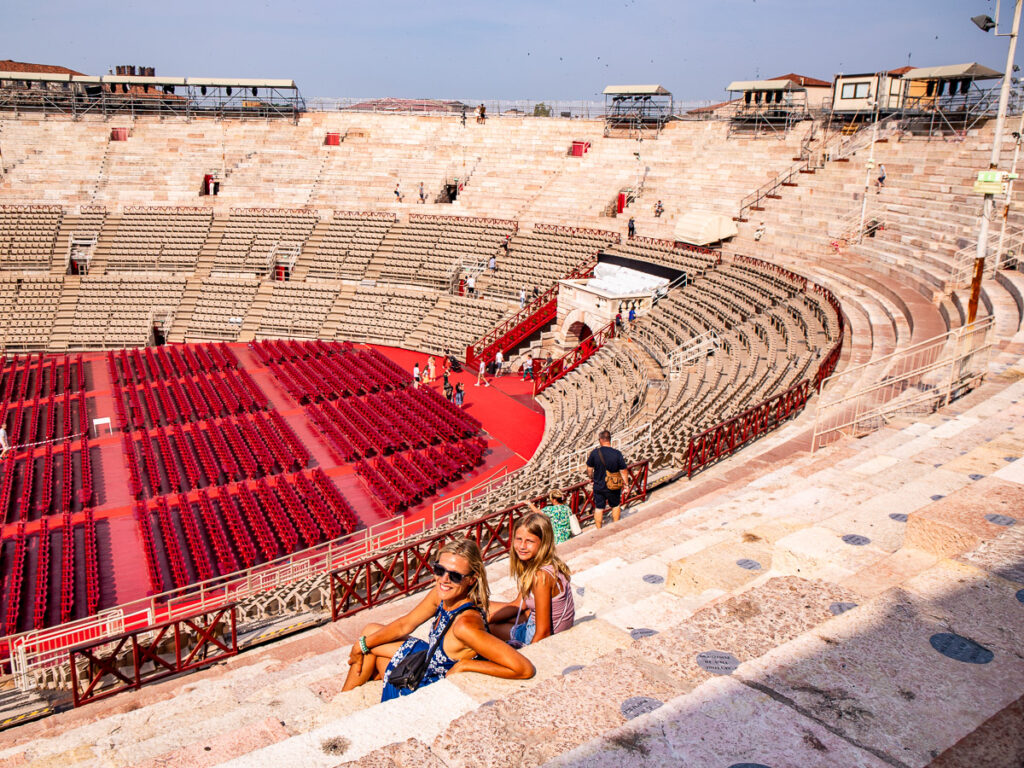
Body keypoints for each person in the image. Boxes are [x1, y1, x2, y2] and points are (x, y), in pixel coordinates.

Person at [343, 538, 534, 701]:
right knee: (369, 632)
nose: (444, 579)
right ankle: (350, 694)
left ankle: (341, 708)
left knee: (370, 654)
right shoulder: (442, 595)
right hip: (430, 657)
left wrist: (467, 665)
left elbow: (524, 668)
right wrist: (360, 646)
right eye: (439, 570)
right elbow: (406, 624)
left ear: (472, 579)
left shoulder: (465, 626)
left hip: (426, 682)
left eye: (455, 576)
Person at [489, 513, 575, 645]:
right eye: (518, 539)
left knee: (489, 627)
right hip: (540, 625)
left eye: (529, 541)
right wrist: (488, 616)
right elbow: (520, 603)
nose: (522, 546)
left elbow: (543, 633)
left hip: (535, 634)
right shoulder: (548, 565)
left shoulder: (540, 576)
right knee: (481, 609)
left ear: (543, 543)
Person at [586, 430, 629, 529]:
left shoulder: (595, 453)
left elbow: (589, 469)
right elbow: (624, 471)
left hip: (599, 485)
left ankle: (599, 529)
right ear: (610, 439)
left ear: (600, 440)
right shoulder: (617, 453)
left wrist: (591, 477)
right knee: (615, 505)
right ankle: (616, 526)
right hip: (613, 484)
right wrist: (626, 485)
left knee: (599, 508)